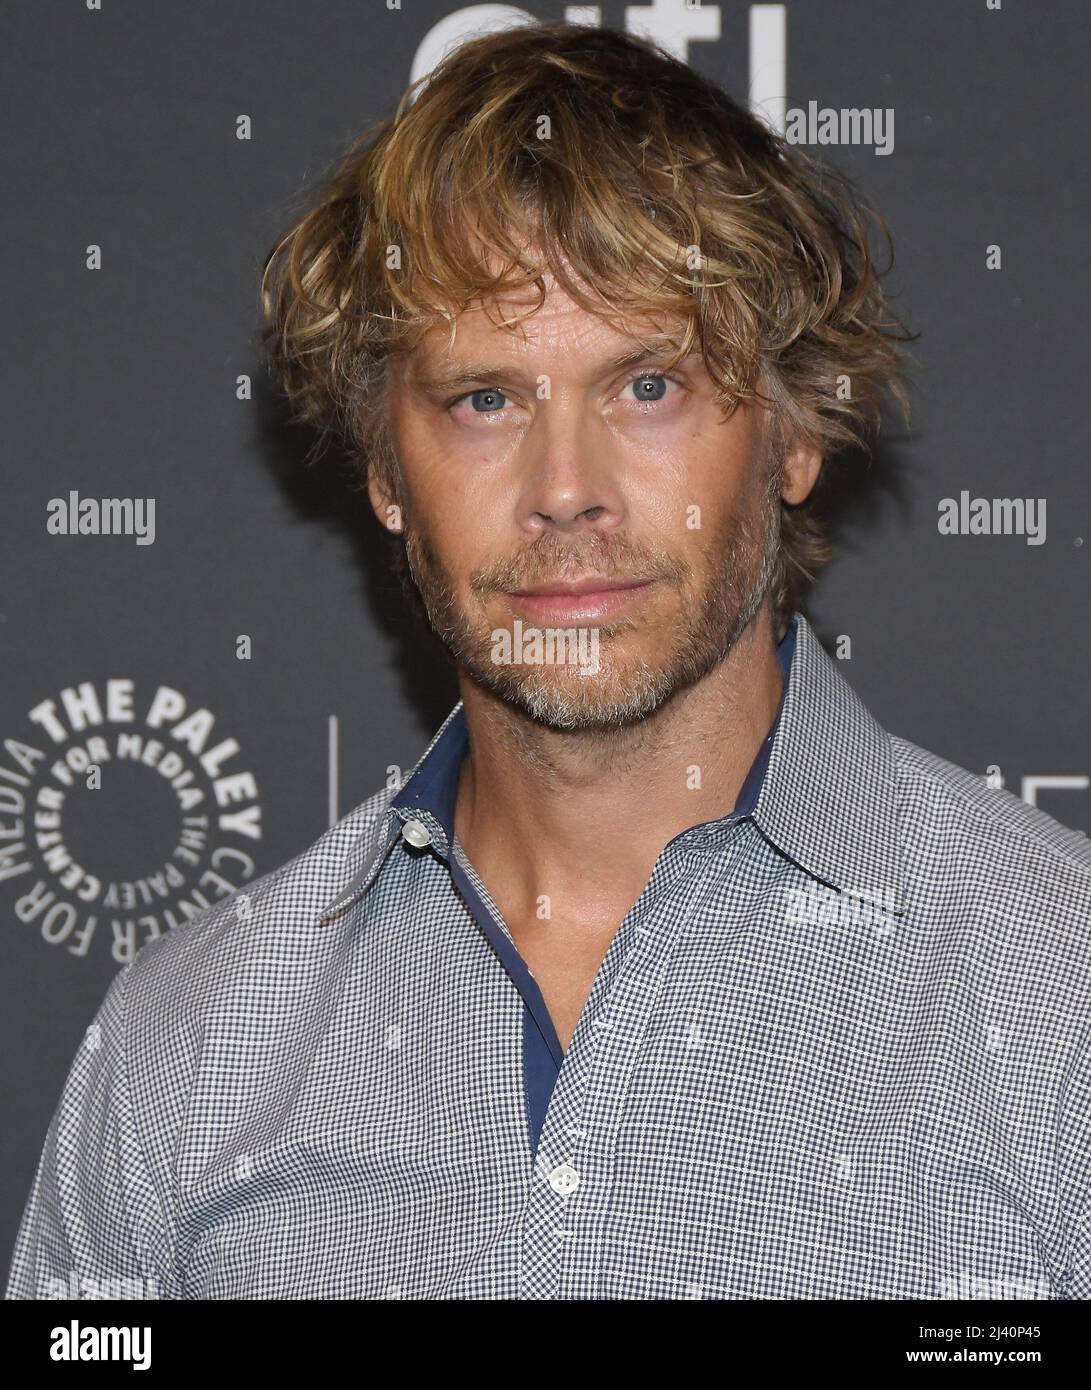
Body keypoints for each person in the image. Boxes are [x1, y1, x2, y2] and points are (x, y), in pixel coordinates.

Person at [8, 20, 1090, 1301]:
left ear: (794, 436)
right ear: (384, 471)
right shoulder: (188, 1039)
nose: (564, 490)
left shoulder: (1057, 995)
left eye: (649, 386)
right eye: (484, 400)